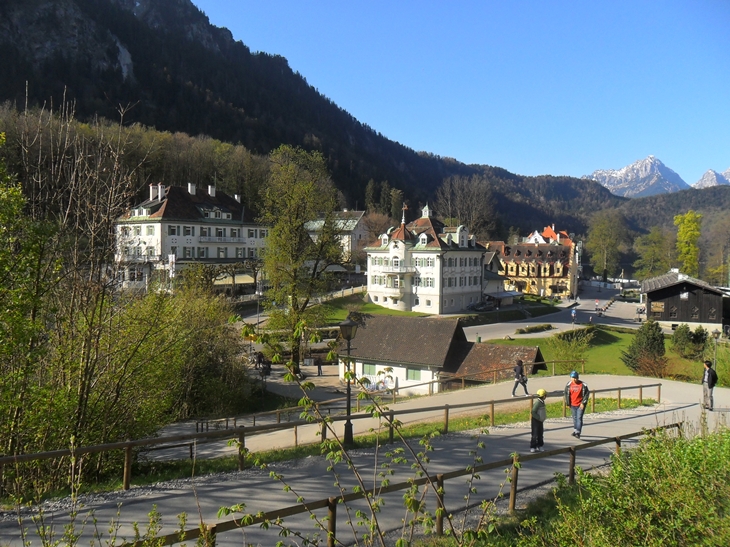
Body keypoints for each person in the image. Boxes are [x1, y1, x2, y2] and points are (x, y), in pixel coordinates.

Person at [564, 371, 589, 439]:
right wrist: (568, 403)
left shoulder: (583, 385)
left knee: (579, 418)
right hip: (572, 404)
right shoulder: (568, 385)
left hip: (580, 405)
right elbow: (566, 394)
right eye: (572, 378)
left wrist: (583, 403)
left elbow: (586, 394)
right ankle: (575, 430)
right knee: (574, 418)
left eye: (575, 378)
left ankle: (578, 432)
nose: (574, 379)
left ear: (578, 378)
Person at [530, 388, 547, 453]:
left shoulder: (542, 402)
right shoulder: (537, 403)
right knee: (535, 434)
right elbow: (533, 412)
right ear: (544, 396)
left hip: (540, 421)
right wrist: (538, 418)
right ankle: (533, 446)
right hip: (536, 421)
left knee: (540, 433)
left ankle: (540, 445)